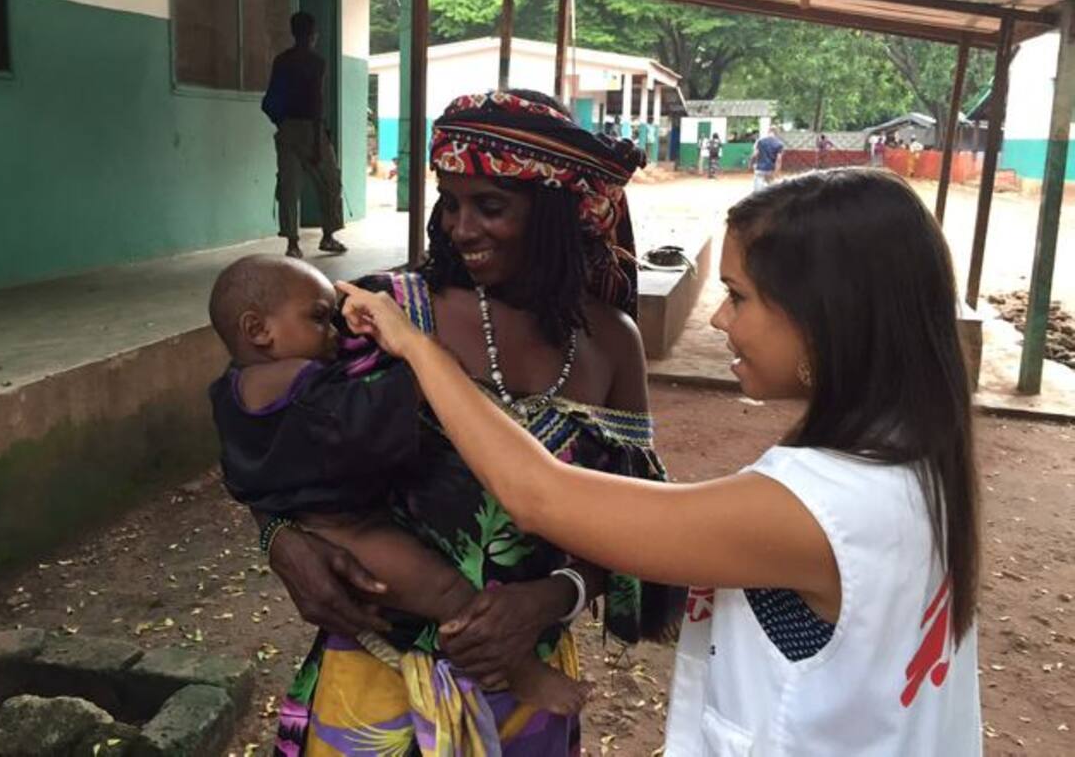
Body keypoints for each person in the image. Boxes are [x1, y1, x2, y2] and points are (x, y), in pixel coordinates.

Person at [339, 168, 983, 755]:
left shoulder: (823, 508)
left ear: (825, 318)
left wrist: (416, 348)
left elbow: (538, 496)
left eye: (739, 295)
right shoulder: (913, 463)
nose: (722, 320)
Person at [258, 89, 682, 755]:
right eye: (450, 202)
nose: (461, 228)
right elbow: (272, 444)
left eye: (491, 207)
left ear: (553, 213)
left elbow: (636, 524)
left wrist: (553, 598)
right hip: (375, 679)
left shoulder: (609, 342)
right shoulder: (383, 313)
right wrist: (280, 541)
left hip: (527, 694)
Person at [206, 255, 587, 720]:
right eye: (319, 318)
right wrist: (426, 365)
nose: (334, 334)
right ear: (259, 330)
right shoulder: (298, 381)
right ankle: (519, 671)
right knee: (445, 590)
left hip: (322, 526)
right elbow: (364, 413)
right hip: (350, 535)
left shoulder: (230, 390)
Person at [263, 11, 346, 259]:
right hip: (311, 130)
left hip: (288, 130)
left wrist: (282, 124)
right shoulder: (316, 63)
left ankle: (292, 243)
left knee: (289, 187)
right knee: (330, 183)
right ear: (312, 35)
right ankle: (328, 236)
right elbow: (316, 102)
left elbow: (268, 102)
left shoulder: (281, 61)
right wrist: (319, 143)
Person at [750, 124, 784, 190]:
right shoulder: (779, 144)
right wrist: (776, 172)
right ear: (777, 133)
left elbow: (755, 154)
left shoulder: (761, 141)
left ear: (768, 131)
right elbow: (779, 160)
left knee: (757, 192)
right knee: (772, 190)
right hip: (770, 169)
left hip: (760, 169)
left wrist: (751, 163)